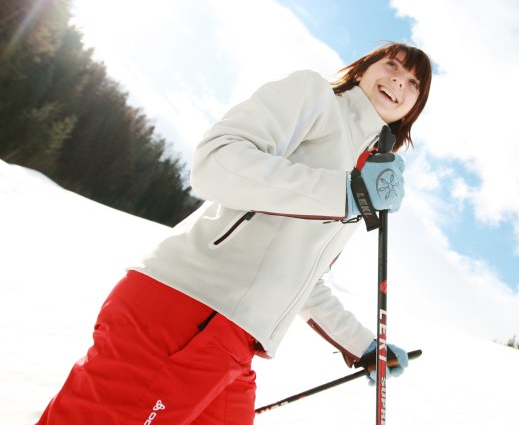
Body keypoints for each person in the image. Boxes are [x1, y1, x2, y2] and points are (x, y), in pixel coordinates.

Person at [37, 42, 432, 425]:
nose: (400, 82)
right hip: (187, 307)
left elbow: (301, 280)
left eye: (414, 83)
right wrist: (346, 193)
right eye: (392, 66)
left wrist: (363, 345)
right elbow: (217, 161)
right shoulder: (315, 98)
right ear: (362, 69)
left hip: (234, 342)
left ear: (415, 106)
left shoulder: (365, 169)